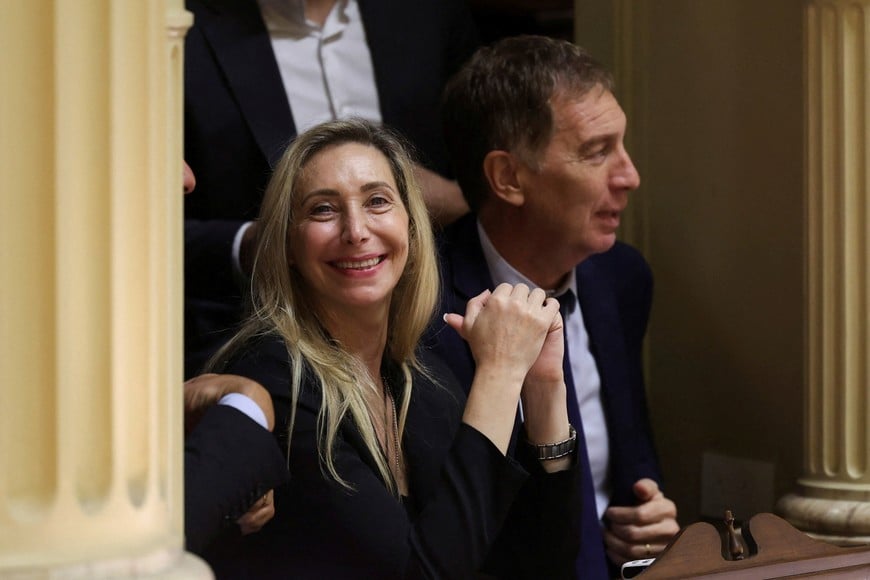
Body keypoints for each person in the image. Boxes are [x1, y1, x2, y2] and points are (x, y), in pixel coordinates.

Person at [204, 118, 580, 578]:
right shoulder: (274, 383)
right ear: (286, 244)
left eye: (377, 201)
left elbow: (537, 567)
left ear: (411, 226)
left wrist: (542, 388)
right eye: (323, 210)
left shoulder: (422, 385)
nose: (356, 231)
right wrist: (500, 373)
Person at [432, 35, 680, 578]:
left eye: (623, 147)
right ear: (508, 177)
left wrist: (647, 528)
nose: (629, 176)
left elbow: (629, 468)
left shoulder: (621, 277)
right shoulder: (425, 311)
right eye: (597, 152)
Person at [183, 0, 479, 378]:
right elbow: (145, 230)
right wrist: (254, 243)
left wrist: (459, 199)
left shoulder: (428, 13)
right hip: (255, 347)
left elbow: (489, 157)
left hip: (434, 331)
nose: (356, 231)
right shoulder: (180, 31)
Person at [181, 163, 289, 556]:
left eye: (378, 202)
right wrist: (248, 408)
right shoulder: (281, 379)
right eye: (324, 209)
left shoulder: (432, 377)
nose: (187, 178)